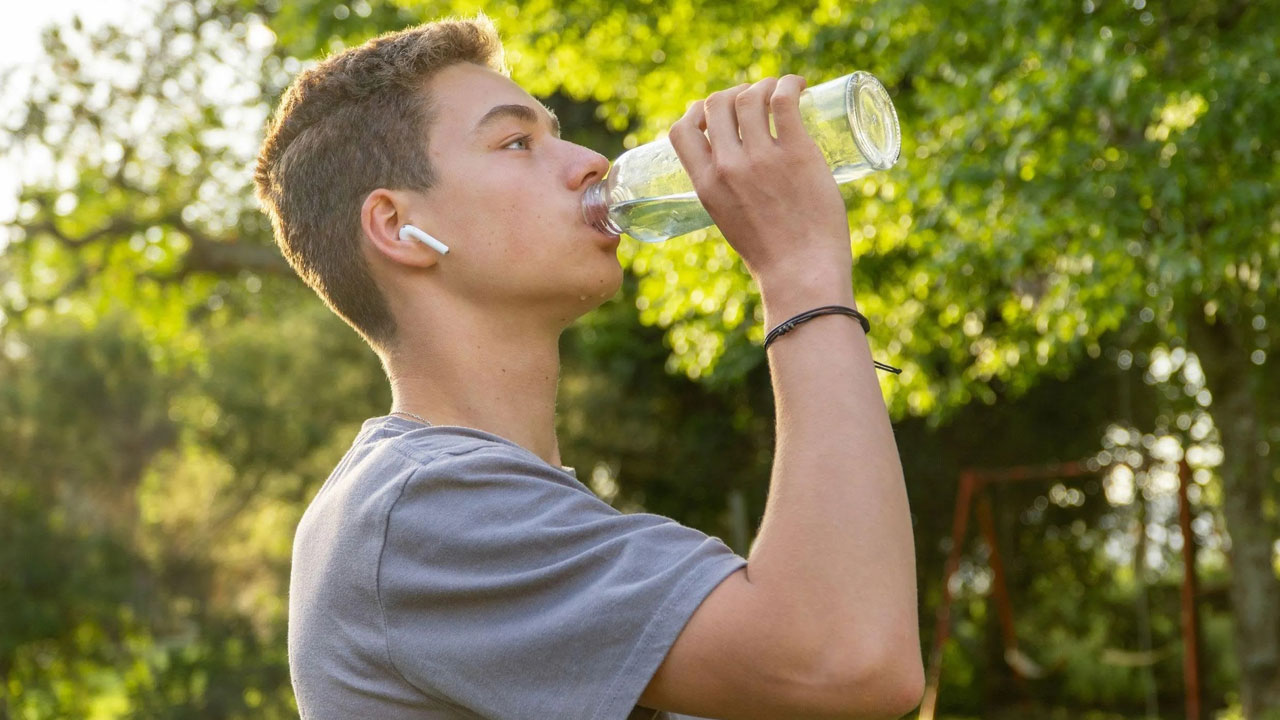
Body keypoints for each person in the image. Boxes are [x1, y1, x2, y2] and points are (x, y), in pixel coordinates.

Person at [253, 14, 922, 720]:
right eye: (517, 143)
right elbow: (845, 658)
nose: (589, 162)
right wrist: (801, 271)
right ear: (398, 228)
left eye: (555, 132)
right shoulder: (422, 509)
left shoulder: (502, 512)